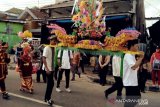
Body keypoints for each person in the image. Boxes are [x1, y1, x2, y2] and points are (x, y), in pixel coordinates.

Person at [123, 39, 144, 107]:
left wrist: (139, 59)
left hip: (133, 82)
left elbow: (136, 67)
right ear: (132, 46)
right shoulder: (128, 55)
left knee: (137, 97)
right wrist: (141, 58)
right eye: (137, 46)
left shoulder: (132, 55)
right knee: (130, 102)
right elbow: (134, 67)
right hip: (129, 82)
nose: (138, 47)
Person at [42, 35, 58, 106]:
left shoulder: (54, 48)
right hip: (47, 69)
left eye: (55, 41)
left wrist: (58, 65)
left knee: (51, 84)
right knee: (50, 84)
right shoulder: (47, 48)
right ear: (50, 41)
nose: (55, 42)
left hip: (52, 68)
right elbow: (43, 58)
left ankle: (47, 98)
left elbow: (54, 58)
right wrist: (47, 69)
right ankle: (48, 99)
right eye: (54, 41)